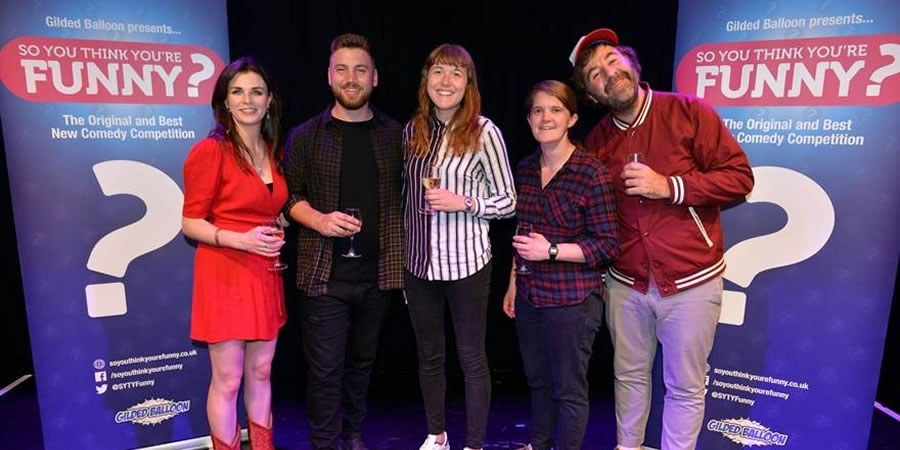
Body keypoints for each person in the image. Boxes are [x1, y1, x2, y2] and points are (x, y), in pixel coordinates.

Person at [570, 28, 755, 450]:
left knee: (685, 386)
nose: (608, 74)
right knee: (629, 378)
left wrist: (668, 186)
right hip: (625, 284)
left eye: (612, 61)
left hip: (691, 281)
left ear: (633, 65)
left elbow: (740, 178)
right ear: (593, 95)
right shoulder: (596, 143)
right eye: (595, 74)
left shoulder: (689, 111)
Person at [283, 33, 403, 450]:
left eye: (360, 70)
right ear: (328, 76)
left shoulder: (396, 135)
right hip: (322, 277)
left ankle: (353, 436)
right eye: (342, 69)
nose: (351, 78)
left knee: (362, 366)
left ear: (375, 77)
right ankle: (326, 443)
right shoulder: (304, 136)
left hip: (379, 275)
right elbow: (288, 196)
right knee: (325, 371)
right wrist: (318, 219)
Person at [403, 43, 516, 450]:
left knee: (471, 359)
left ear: (468, 82)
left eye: (456, 73)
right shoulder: (412, 129)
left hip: (467, 263)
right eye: (438, 71)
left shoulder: (485, 132)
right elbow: (405, 199)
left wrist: (464, 202)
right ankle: (437, 435)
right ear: (426, 79)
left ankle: (474, 443)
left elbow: (508, 201)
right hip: (418, 267)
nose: (446, 81)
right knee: (429, 357)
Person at [501, 80, 618, 450]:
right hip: (530, 294)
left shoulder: (591, 173)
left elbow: (607, 245)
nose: (545, 117)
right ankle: (538, 444)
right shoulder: (524, 169)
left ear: (572, 118)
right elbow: (523, 233)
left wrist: (551, 250)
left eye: (555, 110)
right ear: (529, 119)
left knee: (568, 389)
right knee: (537, 381)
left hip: (573, 301)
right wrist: (513, 284)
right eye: (538, 110)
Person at [182, 56, 286, 450]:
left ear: (269, 100)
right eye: (237, 92)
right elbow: (190, 222)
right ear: (225, 101)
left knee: (261, 371)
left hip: (264, 272)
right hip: (224, 271)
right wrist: (239, 239)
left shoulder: (272, 150)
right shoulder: (210, 151)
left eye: (256, 92)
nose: (247, 100)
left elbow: (266, 206)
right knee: (228, 378)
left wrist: (278, 230)